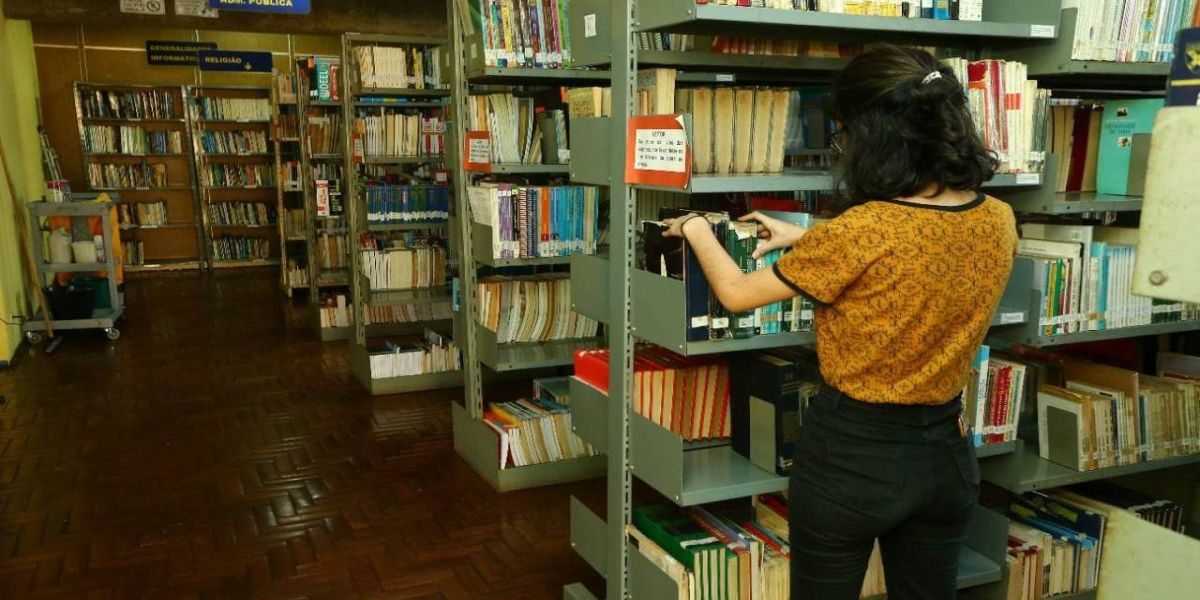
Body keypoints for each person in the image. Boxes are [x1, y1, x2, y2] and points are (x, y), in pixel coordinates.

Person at [664, 44, 1017, 600]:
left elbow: (734, 294)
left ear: (871, 136)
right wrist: (808, 240)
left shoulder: (861, 229)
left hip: (852, 456)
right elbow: (920, 258)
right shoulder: (997, 218)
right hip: (946, 456)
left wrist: (696, 229)